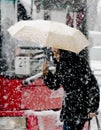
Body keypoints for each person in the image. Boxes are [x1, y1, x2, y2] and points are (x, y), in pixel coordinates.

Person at [42, 48, 100, 130]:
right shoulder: (61, 65)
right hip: (69, 108)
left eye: (56, 53)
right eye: (53, 53)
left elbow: (92, 86)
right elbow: (55, 84)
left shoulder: (80, 62)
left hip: (79, 106)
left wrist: (92, 108)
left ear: (63, 52)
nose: (54, 56)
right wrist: (46, 73)